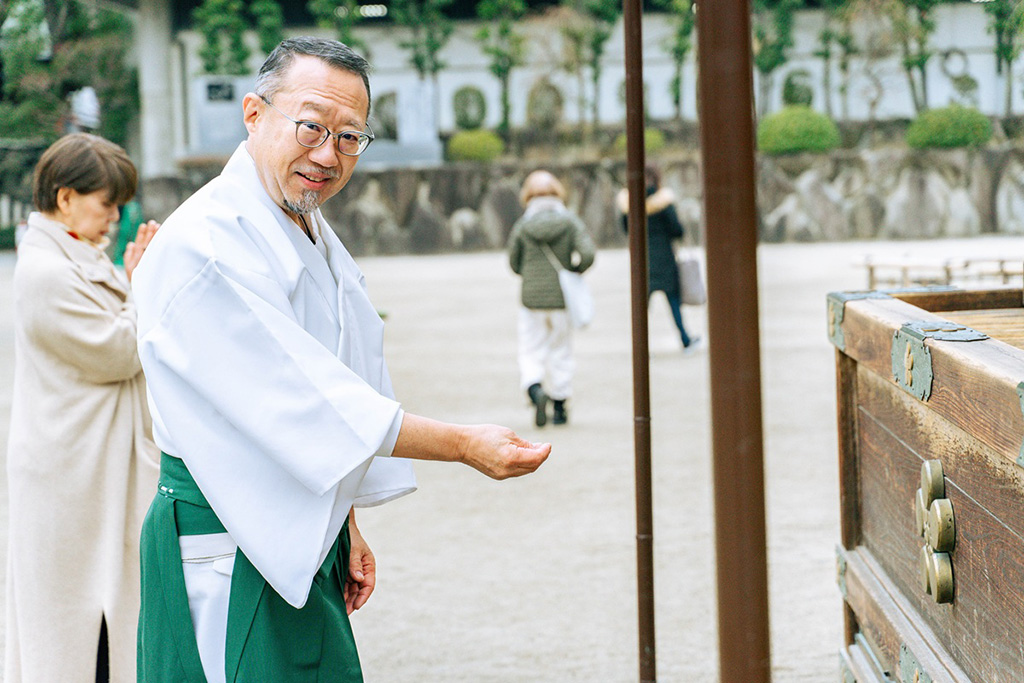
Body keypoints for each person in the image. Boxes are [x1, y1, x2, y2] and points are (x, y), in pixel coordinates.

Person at [131, 37, 551, 683]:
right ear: (253, 114)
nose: (327, 154)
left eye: (349, 136)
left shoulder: (298, 223)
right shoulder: (209, 244)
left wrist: (344, 520)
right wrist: (464, 444)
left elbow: (333, 390)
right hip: (227, 542)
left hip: (295, 524)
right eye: (311, 127)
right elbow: (307, 404)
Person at [5, 133, 161, 682]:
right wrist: (142, 287)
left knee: (102, 614)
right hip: (68, 477)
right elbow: (119, 351)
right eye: (106, 204)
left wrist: (129, 277)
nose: (115, 218)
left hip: (85, 469)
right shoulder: (45, 273)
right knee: (79, 623)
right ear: (66, 198)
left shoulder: (68, 258)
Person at [507, 170, 595, 427]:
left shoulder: (523, 225)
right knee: (561, 350)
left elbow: (513, 262)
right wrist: (575, 271)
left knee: (531, 349)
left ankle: (535, 391)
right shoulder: (569, 221)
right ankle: (559, 407)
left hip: (531, 300)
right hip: (560, 299)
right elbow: (588, 253)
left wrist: (529, 274)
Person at [617, 163, 700, 351]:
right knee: (673, 300)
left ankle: (639, 345)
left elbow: (625, 228)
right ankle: (685, 340)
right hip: (663, 257)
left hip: (641, 259)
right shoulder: (663, 202)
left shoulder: (628, 203)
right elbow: (677, 230)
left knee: (642, 306)